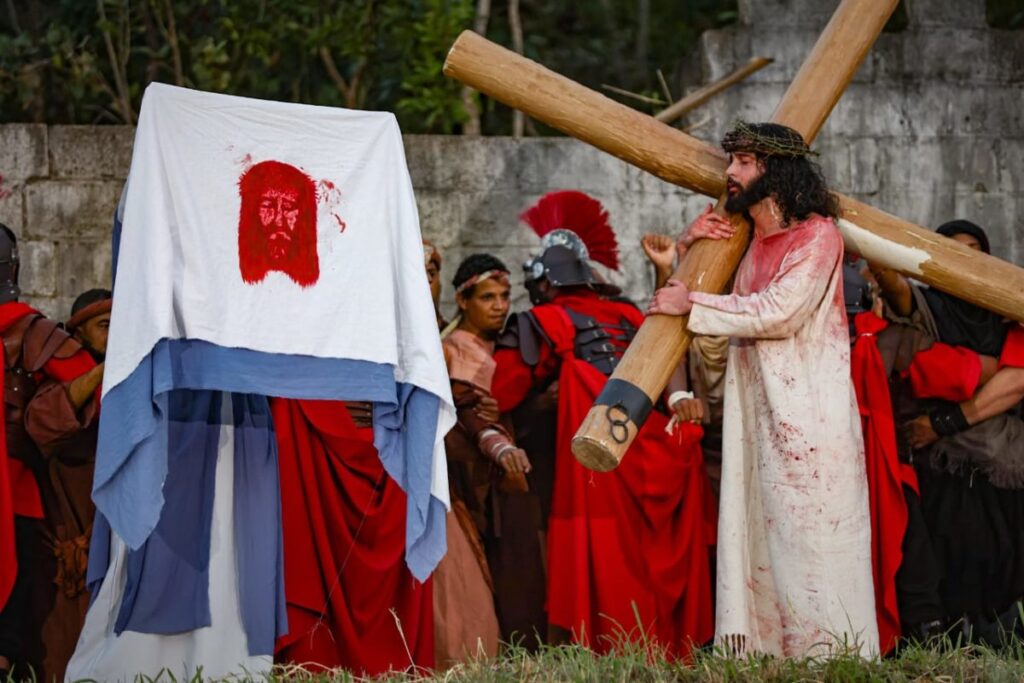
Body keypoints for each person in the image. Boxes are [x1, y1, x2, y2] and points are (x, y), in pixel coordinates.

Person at [649, 122, 878, 657]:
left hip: (811, 421)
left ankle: (831, 660)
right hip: (755, 419)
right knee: (756, 536)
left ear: (775, 170)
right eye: (734, 161)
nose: (731, 172)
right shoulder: (752, 241)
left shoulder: (819, 235)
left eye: (745, 161)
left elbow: (779, 312)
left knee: (811, 541)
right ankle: (765, 656)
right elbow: (702, 294)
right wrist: (689, 246)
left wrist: (696, 306)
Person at [493, 190, 716, 658]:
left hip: (591, 468)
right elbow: (663, 357)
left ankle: (599, 642)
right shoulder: (631, 314)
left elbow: (503, 394)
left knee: (608, 554)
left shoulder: (543, 320)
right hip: (650, 451)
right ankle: (665, 643)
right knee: (646, 551)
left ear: (543, 281)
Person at [871, 220, 1024, 645]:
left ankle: (997, 627)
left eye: (976, 248)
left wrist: (947, 419)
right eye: (955, 249)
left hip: (998, 455)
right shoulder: (926, 305)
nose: (967, 258)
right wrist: (875, 255)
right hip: (938, 460)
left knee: (1001, 547)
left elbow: (1017, 379)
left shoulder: (1009, 309)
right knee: (951, 543)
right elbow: (899, 293)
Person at [0, 225, 98, 681]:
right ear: (14, 268)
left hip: (22, 499)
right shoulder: (31, 331)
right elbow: (95, 391)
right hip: (19, 500)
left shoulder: (30, 331)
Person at [433, 254, 521, 665]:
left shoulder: (508, 342)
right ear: (463, 300)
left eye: (504, 296)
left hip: (504, 459)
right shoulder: (451, 348)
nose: (499, 305)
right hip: (464, 463)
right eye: (488, 296)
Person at [20, 289, 110, 680]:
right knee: (61, 653)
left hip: (121, 545)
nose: (116, 334)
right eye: (105, 325)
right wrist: (98, 374)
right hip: (70, 552)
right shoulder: (54, 379)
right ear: (79, 334)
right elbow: (42, 421)